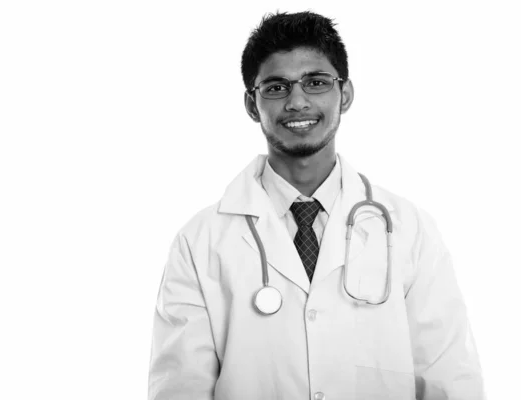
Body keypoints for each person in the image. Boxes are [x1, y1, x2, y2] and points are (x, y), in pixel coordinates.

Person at [148, 11, 484, 400]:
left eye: (316, 82)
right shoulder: (200, 241)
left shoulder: (411, 229)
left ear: (345, 94)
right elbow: (180, 387)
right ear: (252, 105)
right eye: (276, 87)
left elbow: (449, 379)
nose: (297, 101)